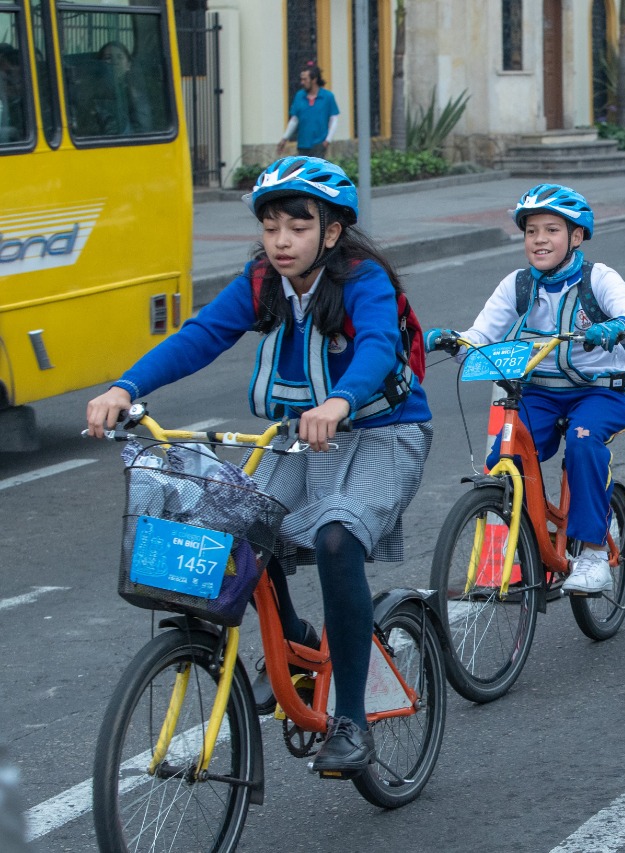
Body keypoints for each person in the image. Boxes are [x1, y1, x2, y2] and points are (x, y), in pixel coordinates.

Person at [85, 156, 433, 774]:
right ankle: (294, 643)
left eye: (297, 227)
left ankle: (350, 720)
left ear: (330, 231)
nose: (280, 240)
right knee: (237, 521)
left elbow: (379, 344)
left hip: (383, 432)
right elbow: (200, 336)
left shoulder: (362, 279)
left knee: (334, 539)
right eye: (271, 225)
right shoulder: (260, 281)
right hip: (302, 435)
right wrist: (126, 388)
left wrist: (339, 400)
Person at [426, 184, 625, 594]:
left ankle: (595, 551)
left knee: (582, 442)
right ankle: (534, 546)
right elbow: (481, 335)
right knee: (503, 461)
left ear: (576, 237)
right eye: (531, 231)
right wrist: (453, 340)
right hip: (540, 393)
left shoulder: (599, 278)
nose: (540, 239)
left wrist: (615, 327)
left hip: (598, 392)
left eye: (552, 230)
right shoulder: (518, 285)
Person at [278, 62, 339, 158]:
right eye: (301, 79)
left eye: (305, 79)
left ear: (314, 79)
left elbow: (334, 119)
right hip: (303, 143)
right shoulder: (299, 96)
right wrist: (285, 138)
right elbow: (294, 119)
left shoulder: (327, 96)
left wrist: (327, 140)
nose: (302, 82)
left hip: (319, 143)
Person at [95, 41, 151, 133]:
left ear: (128, 65)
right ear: (100, 65)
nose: (114, 62)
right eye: (108, 58)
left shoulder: (135, 95)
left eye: (119, 57)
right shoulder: (92, 92)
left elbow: (143, 129)